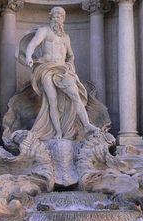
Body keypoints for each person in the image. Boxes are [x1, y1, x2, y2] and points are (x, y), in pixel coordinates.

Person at [19, 6, 98, 140]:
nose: (58, 18)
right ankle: (57, 132)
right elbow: (32, 44)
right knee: (52, 101)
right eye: (55, 15)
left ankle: (86, 124)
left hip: (62, 70)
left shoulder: (66, 37)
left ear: (64, 19)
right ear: (51, 17)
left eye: (61, 16)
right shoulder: (44, 31)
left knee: (75, 96)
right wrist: (28, 57)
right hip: (46, 69)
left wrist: (70, 65)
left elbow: (71, 55)